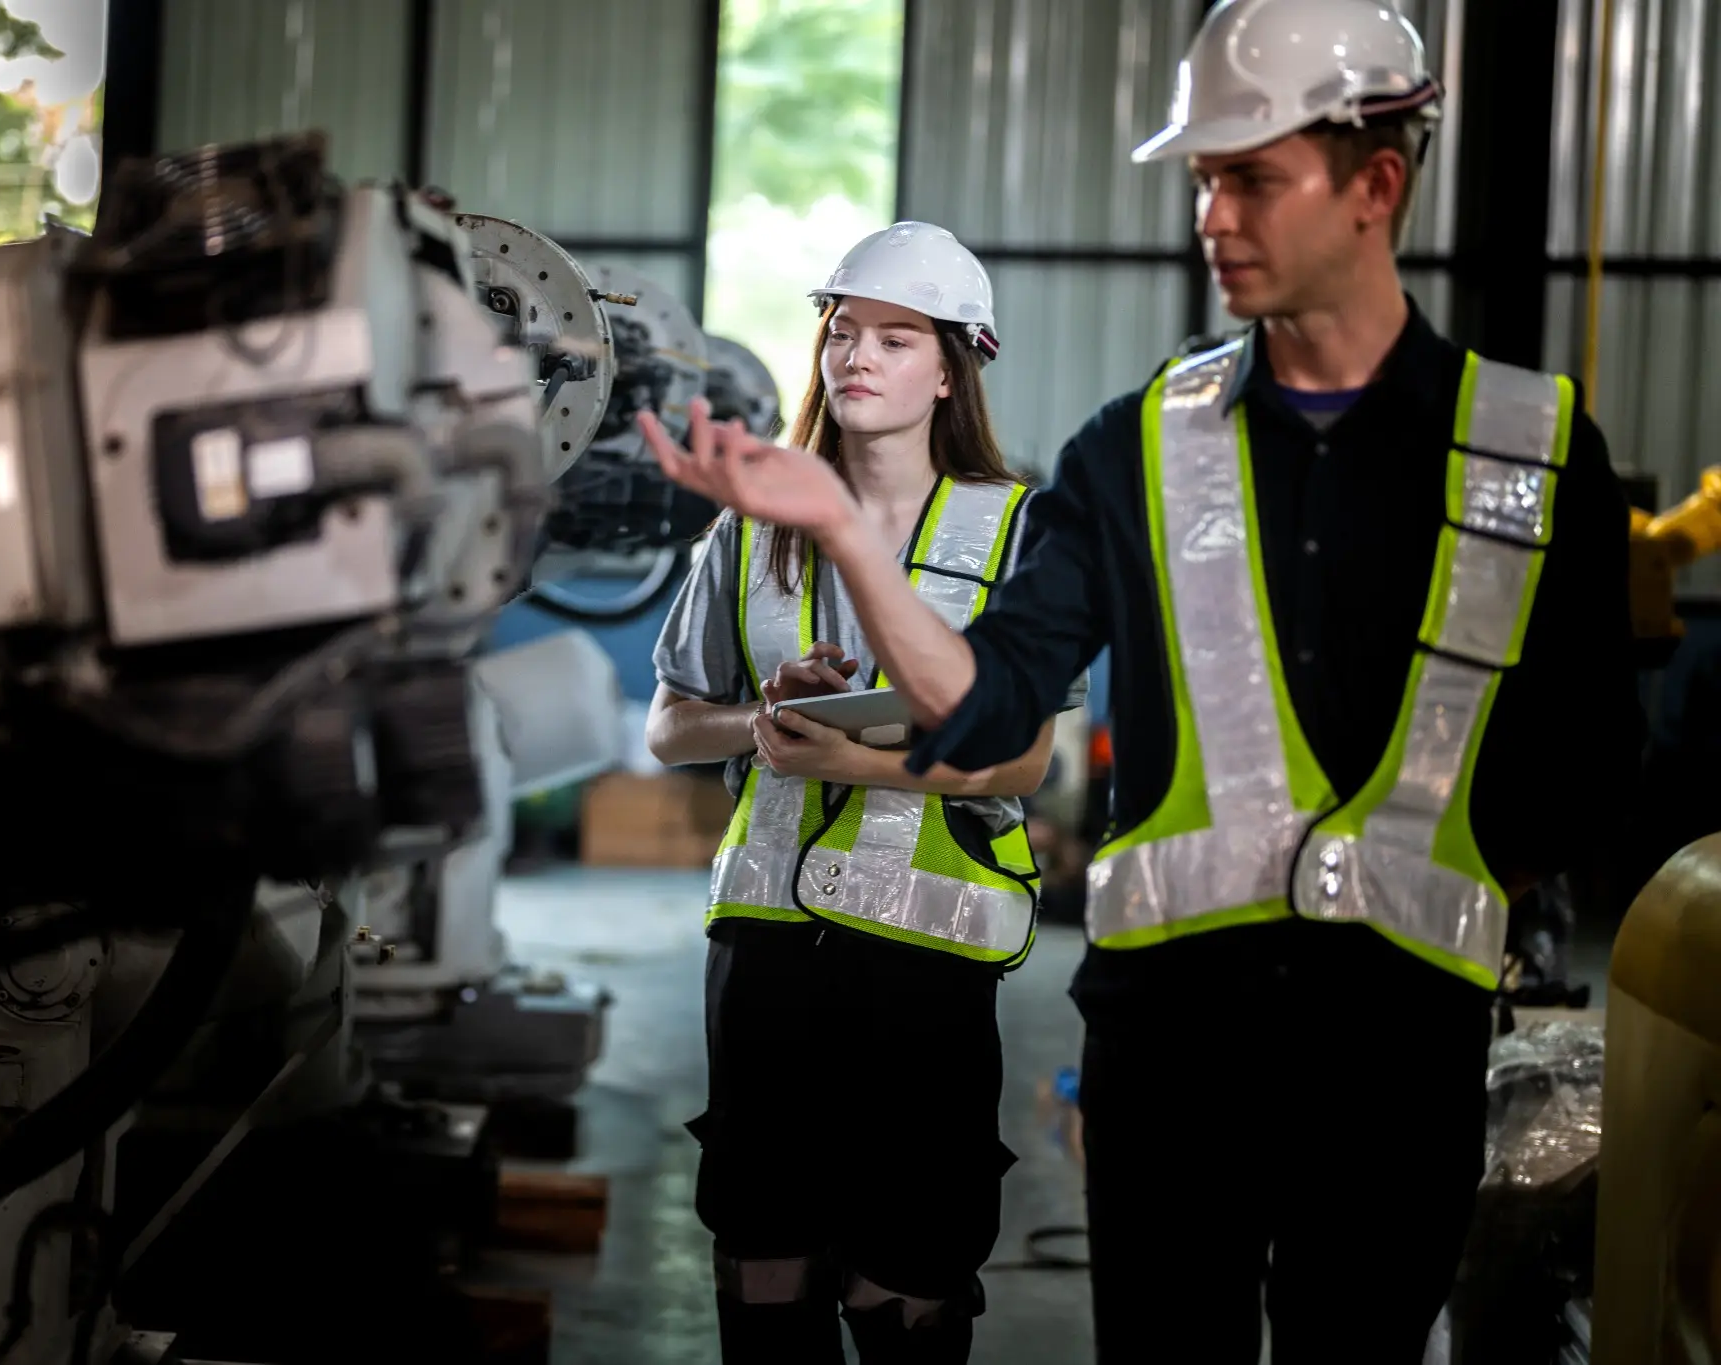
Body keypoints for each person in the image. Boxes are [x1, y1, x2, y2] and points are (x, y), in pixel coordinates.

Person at [636, 2, 1645, 1361]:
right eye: (1202, 180)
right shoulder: (1134, 450)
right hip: (1171, 1060)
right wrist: (842, 538)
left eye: (1251, 179)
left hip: (1398, 1054)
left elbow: (1585, 775)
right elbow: (997, 705)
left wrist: (1410, 888)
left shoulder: (1533, 452)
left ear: (1374, 185)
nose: (1211, 217)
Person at [645, 222, 1085, 1365]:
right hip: (765, 957)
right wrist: (757, 720)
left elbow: (1025, 761)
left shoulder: (1017, 530)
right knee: (763, 1260)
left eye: (895, 339)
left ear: (950, 370)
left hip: (927, 963)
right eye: (842, 332)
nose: (856, 356)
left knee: (907, 1278)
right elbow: (667, 725)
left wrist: (849, 761)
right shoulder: (750, 528)